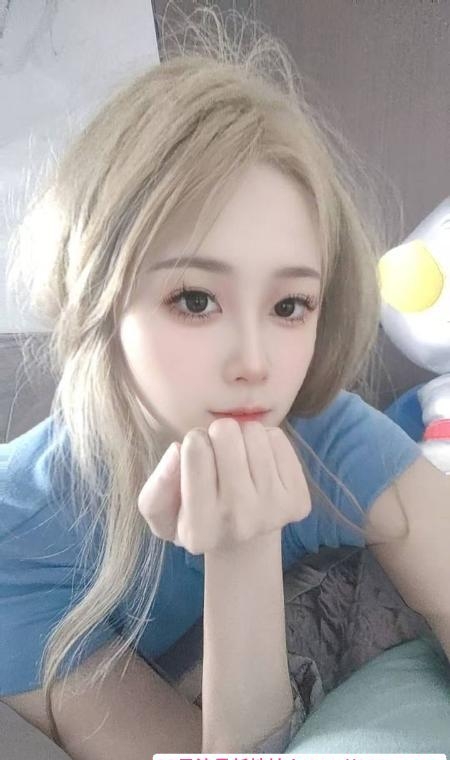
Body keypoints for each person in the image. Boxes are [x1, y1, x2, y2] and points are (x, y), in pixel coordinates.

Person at [1, 4, 449, 758]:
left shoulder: (323, 431)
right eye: (195, 299)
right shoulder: (18, 535)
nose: (255, 361)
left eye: (289, 306)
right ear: (94, 297)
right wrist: (241, 556)